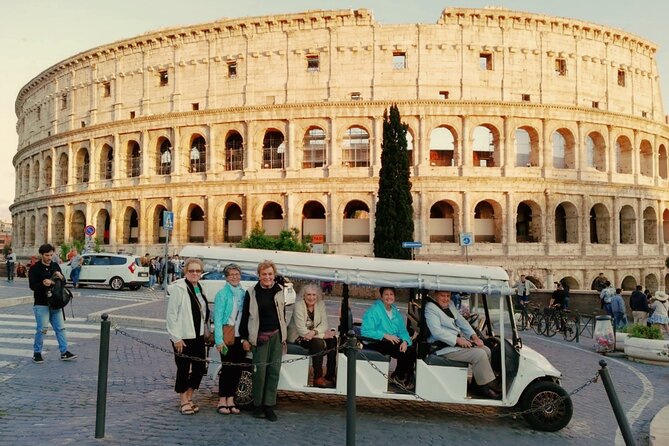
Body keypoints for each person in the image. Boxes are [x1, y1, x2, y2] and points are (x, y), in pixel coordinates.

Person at [425, 290, 500, 399]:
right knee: (479, 355)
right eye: (442, 295)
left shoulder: (450, 304)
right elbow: (437, 332)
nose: (446, 298)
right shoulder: (431, 308)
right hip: (443, 347)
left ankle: (477, 384)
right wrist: (458, 340)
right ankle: (485, 387)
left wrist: (474, 336)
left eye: (448, 296)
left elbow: (461, 321)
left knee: (486, 350)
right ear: (436, 295)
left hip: (453, 345)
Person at [239, 260, 288, 422]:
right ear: (259, 275)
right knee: (259, 372)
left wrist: (284, 335)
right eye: (264, 274)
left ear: (274, 275)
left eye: (270, 274)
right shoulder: (252, 292)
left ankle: (269, 406)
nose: (267, 277)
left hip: (276, 336)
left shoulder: (279, 290)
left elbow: (283, 313)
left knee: (273, 372)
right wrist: (245, 338)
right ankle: (258, 405)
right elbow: (245, 316)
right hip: (259, 336)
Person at [166, 257, 210, 415]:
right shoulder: (179, 288)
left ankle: (190, 396)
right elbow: (171, 314)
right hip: (182, 336)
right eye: (191, 270)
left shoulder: (199, 287)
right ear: (186, 271)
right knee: (183, 369)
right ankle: (183, 400)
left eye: (198, 271)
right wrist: (175, 337)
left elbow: (203, 311)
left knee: (199, 368)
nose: (195, 273)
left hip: (197, 335)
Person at [28, 243, 77, 363]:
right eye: (47, 255)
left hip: (56, 302)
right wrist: (43, 284)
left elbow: (63, 283)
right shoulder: (35, 268)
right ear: (41, 255)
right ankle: (37, 353)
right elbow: (32, 286)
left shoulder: (55, 266)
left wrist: (61, 278)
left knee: (60, 328)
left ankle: (64, 352)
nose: (49, 258)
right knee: (42, 329)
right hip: (41, 303)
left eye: (51, 255)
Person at [361, 287, 416, 389]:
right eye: (386, 294)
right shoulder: (374, 310)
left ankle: (398, 375)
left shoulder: (395, 311)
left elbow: (402, 331)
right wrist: (384, 335)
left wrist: (405, 341)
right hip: (377, 341)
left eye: (391, 294)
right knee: (407, 352)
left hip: (391, 341)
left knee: (410, 349)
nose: (389, 297)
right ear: (381, 296)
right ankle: (400, 377)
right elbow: (366, 331)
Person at [287, 283, 337, 388]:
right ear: (303, 296)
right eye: (308, 294)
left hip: (313, 334)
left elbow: (324, 324)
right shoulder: (298, 305)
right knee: (318, 343)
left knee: (332, 340)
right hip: (298, 337)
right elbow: (301, 330)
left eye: (314, 295)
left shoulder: (321, 304)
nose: (311, 297)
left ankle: (330, 375)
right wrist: (322, 336)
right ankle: (317, 378)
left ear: (317, 296)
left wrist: (314, 332)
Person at [213, 263, 247, 415]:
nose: (235, 277)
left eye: (237, 274)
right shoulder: (222, 294)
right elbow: (218, 319)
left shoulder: (243, 293)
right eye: (231, 275)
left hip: (240, 337)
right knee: (227, 368)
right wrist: (218, 340)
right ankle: (222, 399)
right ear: (226, 277)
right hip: (227, 336)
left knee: (237, 369)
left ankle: (231, 399)